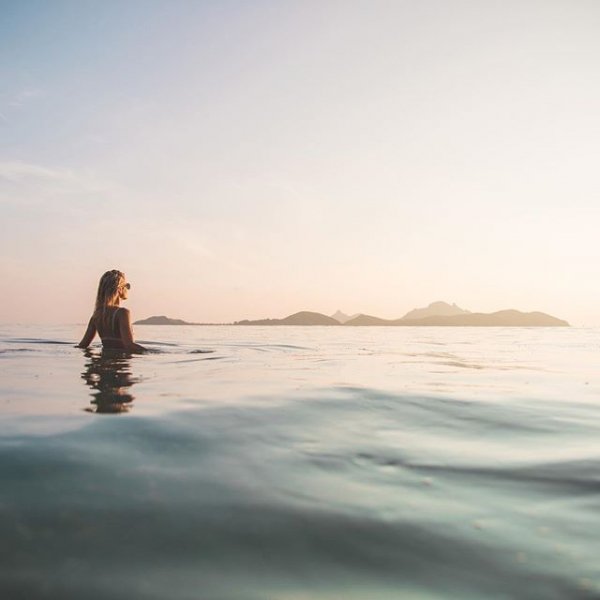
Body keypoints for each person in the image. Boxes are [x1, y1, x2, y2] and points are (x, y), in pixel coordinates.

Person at [78, 269, 146, 353]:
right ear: (120, 289)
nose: (127, 289)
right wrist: (151, 353)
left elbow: (82, 345)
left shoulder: (96, 316)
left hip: (102, 362)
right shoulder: (122, 313)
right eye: (126, 286)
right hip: (120, 362)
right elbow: (129, 345)